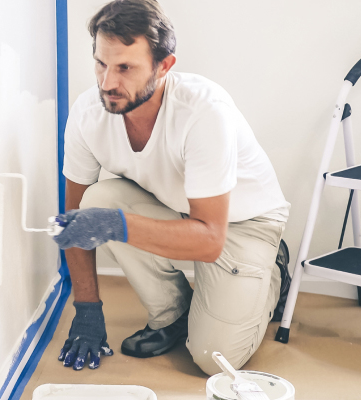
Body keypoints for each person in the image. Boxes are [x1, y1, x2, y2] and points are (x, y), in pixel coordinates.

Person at [52, 0, 291, 375]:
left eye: (125, 68)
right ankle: (172, 314)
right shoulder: (88, 114)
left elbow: (210, 241)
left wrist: (115, 225)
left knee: (213, 359)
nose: (107, 83)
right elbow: (74, 222)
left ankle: (271, 274)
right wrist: (87, 310)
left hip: (242, 222)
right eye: (101, 63)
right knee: (97, 201)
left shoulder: (204, 112)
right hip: (175, 206)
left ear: (164, 66)